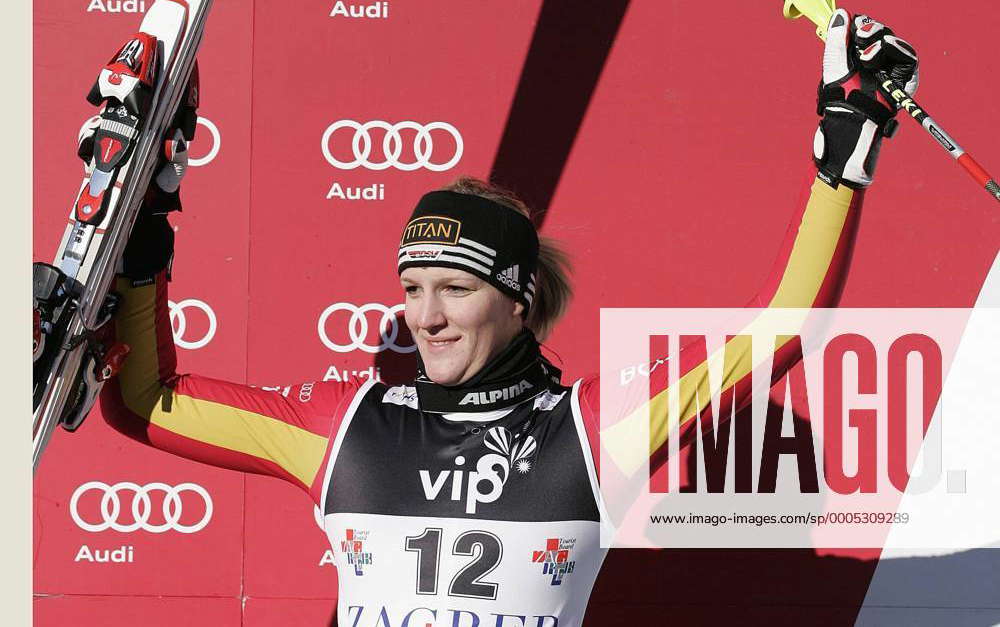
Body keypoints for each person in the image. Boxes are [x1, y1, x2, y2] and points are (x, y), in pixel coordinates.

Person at [99, 11, 918, 626]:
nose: (425, 316)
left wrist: (843, 149)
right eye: (412, 288)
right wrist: (146, 229)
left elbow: (779, 329)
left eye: (454, 289)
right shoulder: (346, 425)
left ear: (518, 297)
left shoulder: (592, 431)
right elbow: (144, 398)